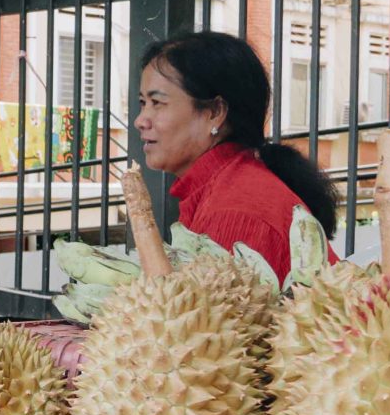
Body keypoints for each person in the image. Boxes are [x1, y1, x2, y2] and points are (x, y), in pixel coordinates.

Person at [135, 30, 339, 284]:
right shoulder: (223, 186)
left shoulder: (234, 211)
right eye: (143, 103)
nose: (140, 120)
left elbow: (212, 320)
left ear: (214, 112)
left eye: (157, 103)